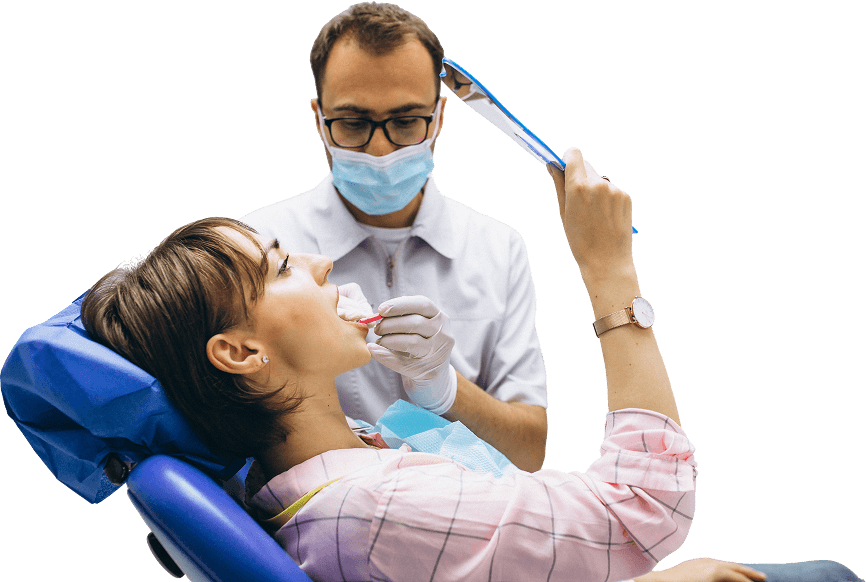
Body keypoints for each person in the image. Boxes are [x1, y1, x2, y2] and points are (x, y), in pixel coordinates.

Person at [81, 146, 696, 581]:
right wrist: (611, 272)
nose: (321, 263)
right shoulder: (379, 510)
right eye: (283, 268)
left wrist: (440, 389)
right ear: (241, 353)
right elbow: (644, 506)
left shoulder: (302, 472)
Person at [238, 2, 548, 472]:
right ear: (319, 119)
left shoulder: (499, 248)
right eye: (353, 123)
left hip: (473, 509)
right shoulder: (259, 244)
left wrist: (444, 387)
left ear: (439, 117)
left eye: (405, 122)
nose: (380, 149)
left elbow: (527, 453)